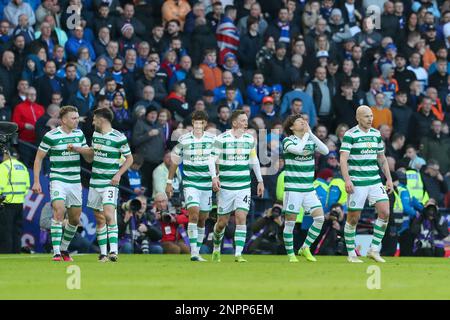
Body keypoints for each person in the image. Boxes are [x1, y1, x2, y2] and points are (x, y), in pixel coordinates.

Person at [71, 107, 133, 262]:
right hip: (95, 181)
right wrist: (79, 149)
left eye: (94, 119)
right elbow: (92, 155)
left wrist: (118, 174)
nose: (92, 122)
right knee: (99, 218)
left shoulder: (119, 137)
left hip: (110, 182)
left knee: (108, 214)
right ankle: (103, 254)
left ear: (102, 119)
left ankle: (114, 252)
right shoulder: (96, 135)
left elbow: (129, 159)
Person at [340, 105, 394, 263]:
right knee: (353, 219)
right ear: (358, 118)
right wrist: (347, 179)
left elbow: (382, 158)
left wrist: (389, 179)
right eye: (366, 116)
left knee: (385, 212)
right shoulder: (350, 135)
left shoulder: (376, 134)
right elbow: (343, 159)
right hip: (357, 182)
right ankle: (351, 253)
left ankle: (374, 249)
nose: (370, 119)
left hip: (375, 180)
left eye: (371, 116)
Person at [32, 106, 86, 261]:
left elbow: (87, 157)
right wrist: (36, 181)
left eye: (77, 117)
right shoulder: (51, 135)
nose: (77, 120)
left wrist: (88, 151)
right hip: (58, 179)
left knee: (75, 219)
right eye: (73, 118)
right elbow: (38, 158)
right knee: (59, 211)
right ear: (63, 120)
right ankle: (56, 252)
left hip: (75, 181)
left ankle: (63, 248)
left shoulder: (79, 134)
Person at [211, 110, 265, 262]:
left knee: (241, 217)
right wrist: (214, 177)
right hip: (226, 187)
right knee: (222, 223)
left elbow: (254, 161)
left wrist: (260, 180)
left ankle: (238, 254)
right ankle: (216, 247)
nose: (245, 123)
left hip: (243, 186)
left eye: (246, 120)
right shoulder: (221, 139)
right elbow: (211, 160)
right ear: (234, 123)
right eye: (242, 120)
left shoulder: (249, 139)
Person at [166, 110, 215, 261]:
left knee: (203, 218)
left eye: (201, 122)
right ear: (192, 123)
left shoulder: (212, 139)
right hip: (190, 182)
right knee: (193, 213)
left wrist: (216, 178)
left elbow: (216, 160)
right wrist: (169, 182)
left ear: (205, 124)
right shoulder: (184, 139)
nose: (198, 124)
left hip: (206, 184)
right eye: (196, 121)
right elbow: (175, 160)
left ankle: (197, 251)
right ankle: (194, 253)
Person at [281, 114, 329, 262]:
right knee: (290, 222)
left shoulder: (309, 139)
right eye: (299, 122)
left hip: (308, 189)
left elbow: (325, 151)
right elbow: (297, 150)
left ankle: (305, 247)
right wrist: (306, 135)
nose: (303, 123)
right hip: (293, 188)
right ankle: (290, 254)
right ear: (291, 127)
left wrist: (311, 134)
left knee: (320, 218)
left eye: (304, 121)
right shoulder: (288, 141)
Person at [0, 149, 30, 253]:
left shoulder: (3, 167)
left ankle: (6, 252)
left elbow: (0, 186)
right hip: (19, 203)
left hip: (6, 203)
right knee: (17, 230)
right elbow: (27, 187)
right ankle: (16, 252)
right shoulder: (23, 167)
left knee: (5, 231)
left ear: (6, 155)